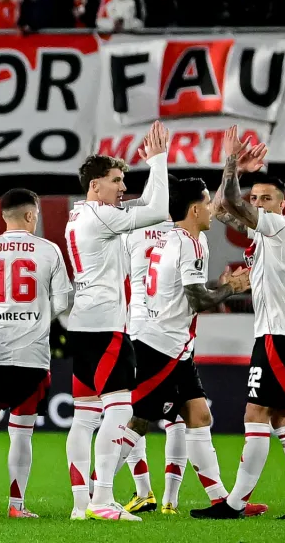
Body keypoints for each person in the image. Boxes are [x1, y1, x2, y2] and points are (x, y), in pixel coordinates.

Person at [193, 127, 285, 520]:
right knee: (284, 417)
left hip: (279, 335)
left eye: (267, 198)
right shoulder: (263, 233)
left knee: (255, 414)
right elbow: (218, 209)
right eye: (256, 197)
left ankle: (233, 504)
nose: (258, 203)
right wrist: (237, 174)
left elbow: (232, 200)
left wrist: (232, 163)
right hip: (276, 333)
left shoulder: (281, 227)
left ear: (282, 206)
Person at [127, 177, 264, 517]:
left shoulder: (172, 238)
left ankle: (220, 500)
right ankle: (96, 496)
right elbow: (198, 299)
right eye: (207, 202)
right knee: (139, 420)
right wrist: (231, 288)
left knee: (199, 415)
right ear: (193, 209)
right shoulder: (191, 242)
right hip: (162, 345)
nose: (212, 210)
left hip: (173, 343)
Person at [64, 120, 170, 522]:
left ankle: (80, 504)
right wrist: (158, 161)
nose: (123, 188)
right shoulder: (101, 218)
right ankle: (102, 500)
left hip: (83, 324)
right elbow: (158, 210)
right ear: (95, 186)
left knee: (85, 416)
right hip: (107, 325)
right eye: (116, 180)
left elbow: (145, 210)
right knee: (121, 410)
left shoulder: (81, 216)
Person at [0, 188, 71, 519]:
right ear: (30, 215)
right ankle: (16, 505)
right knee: (21, 433)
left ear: (3, 216)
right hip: (32, 358)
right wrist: (37, 320)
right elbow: (63, 301)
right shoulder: (49, 251)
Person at [120, 178, 177, 515]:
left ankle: (142, 492)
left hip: (140, 329)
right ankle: (170, 500)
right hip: (179, 330)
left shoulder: (131, 231)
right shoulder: (185, 232)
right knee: (180, 416)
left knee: (131, 411)